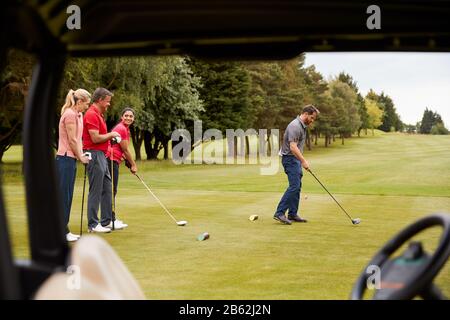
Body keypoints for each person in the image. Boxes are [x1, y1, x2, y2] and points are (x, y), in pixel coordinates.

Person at [82, 87, 123, 233]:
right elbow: (95, 138)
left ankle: (106, 221)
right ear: (100, 100)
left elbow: (101, 138)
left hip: (102, 155)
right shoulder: (92, 114)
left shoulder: (98, 114)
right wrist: (112, 134)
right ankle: (93, 224)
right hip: (93, 154)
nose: (109, 104)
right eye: (107, 101)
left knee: (107, 187)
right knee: (96, 189)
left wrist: (109, 141)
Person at [273, 105, 320, 225]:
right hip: (290, 159)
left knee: (297, 186)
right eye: (312, 117)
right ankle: (279, 213)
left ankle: (292, 214)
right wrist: (303, 161)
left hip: (295, 160)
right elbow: (293, 147)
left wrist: (300, 161)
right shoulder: (295, 126)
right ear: (305, 113)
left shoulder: (302, 126)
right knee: (294, 186)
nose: (312, 120)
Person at [56, 89, 91, 242]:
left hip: (70, 159)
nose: (87, 107)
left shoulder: (78, 115)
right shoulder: (70, 114)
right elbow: (72, 140)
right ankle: (61, 231)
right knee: (64, 196)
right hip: (64, 159)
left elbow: (78, 139)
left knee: (68, 196)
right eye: (86, 104)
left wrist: (82, 154)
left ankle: (64, 229)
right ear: (79, 102)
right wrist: (81, 157)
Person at [107, 107, 138, 227]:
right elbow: (125, 149)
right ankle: (109, 219)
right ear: (121, 117)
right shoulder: (121, 128)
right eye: (126, 115)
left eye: (131, 116)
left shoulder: (123, 128)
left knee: (111, 190)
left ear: (133, 118)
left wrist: (126, 161)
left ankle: (110, 218)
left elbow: (120, 148)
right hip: (111, 159)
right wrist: (133, 165)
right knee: (111, 190)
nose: (128, 118)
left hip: (113, 159)